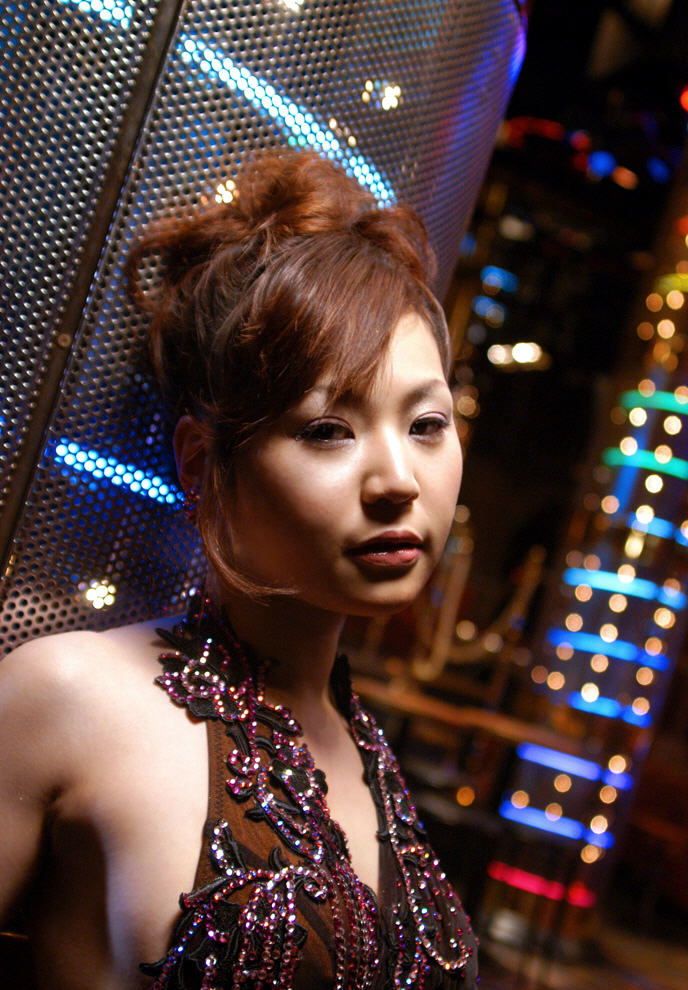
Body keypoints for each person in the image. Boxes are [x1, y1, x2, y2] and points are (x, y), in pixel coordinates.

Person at [0, 149, 478, 989]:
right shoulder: (68, 696)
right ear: (201, 463)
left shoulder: (371, 757)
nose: (399, 480)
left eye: (427, 424)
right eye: (328, 430)